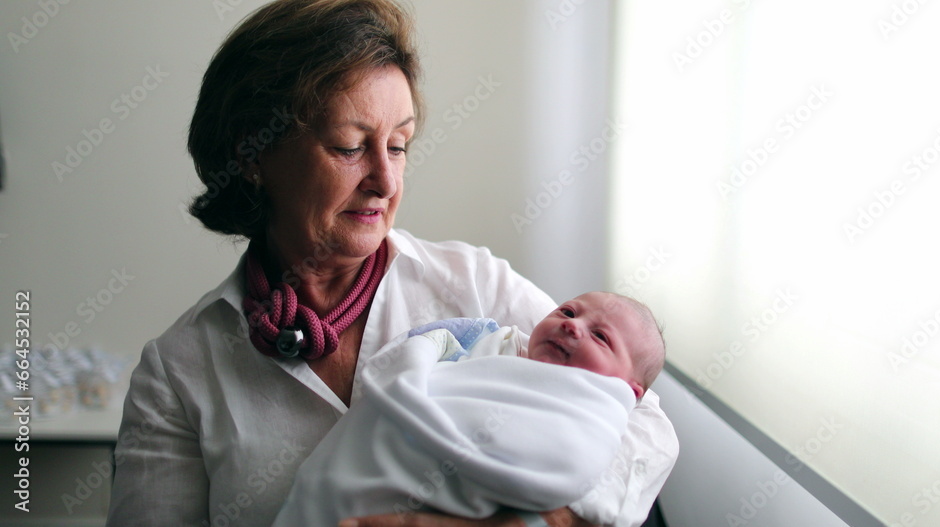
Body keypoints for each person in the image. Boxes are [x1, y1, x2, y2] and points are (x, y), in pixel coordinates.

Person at [106, 1, 678, 526]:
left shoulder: (474, 285)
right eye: (350, 146)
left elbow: (644, 423)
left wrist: (542, 523)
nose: (385, 180)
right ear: (253, 155)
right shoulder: (178, 373)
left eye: (399, 144)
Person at [273, 291, 671, 525]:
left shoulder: (600, 410)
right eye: (567, 311)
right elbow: (421, 349)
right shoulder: (488, 342)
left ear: (627, 390)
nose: (572, 325)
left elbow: (642, 447)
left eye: (600, 336)